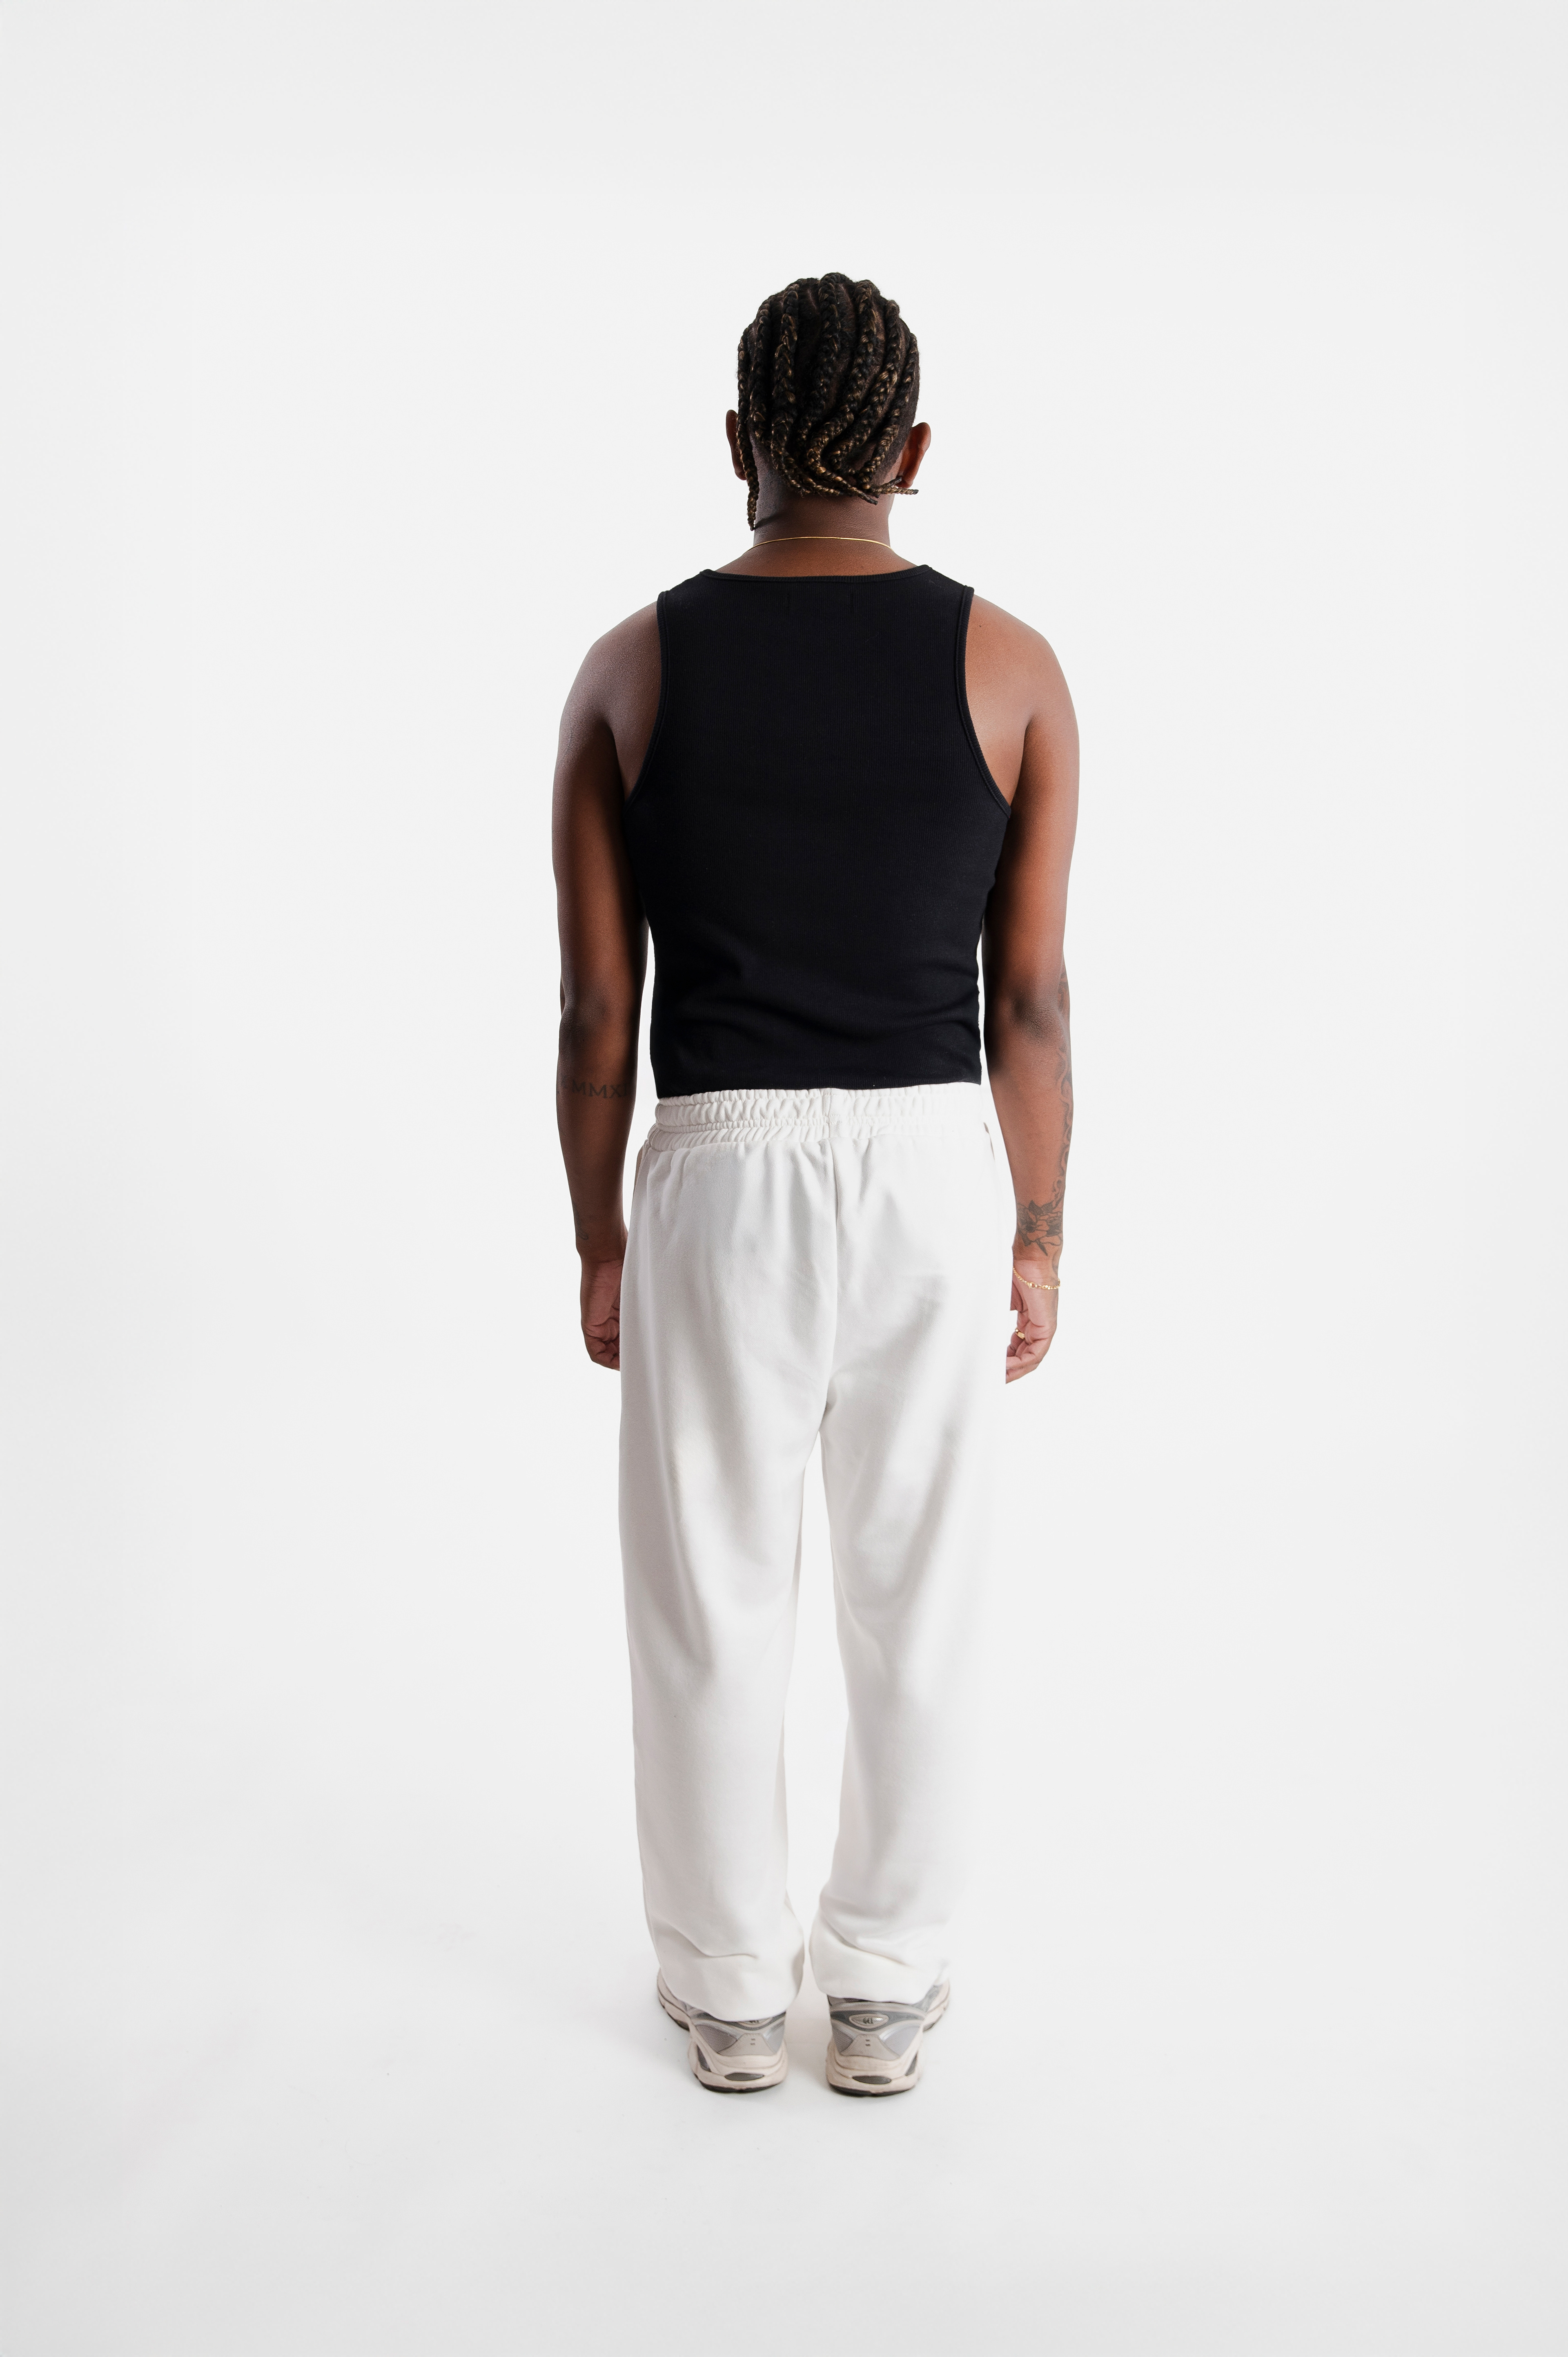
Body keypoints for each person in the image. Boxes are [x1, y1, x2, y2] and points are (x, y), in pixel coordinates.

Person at [552, 274, 1077, 2095]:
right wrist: (1037, 1232)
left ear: (736, 441)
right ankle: (883, 1988)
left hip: (716, 1165)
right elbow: (1030, 998)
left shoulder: (630, 667)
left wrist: (603, 1238)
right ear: (914, 451)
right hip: (935, 1160)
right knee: (918, 1591)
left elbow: (597, 1007)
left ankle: (722, 1992)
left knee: (711, 1591)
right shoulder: (1014, 667)